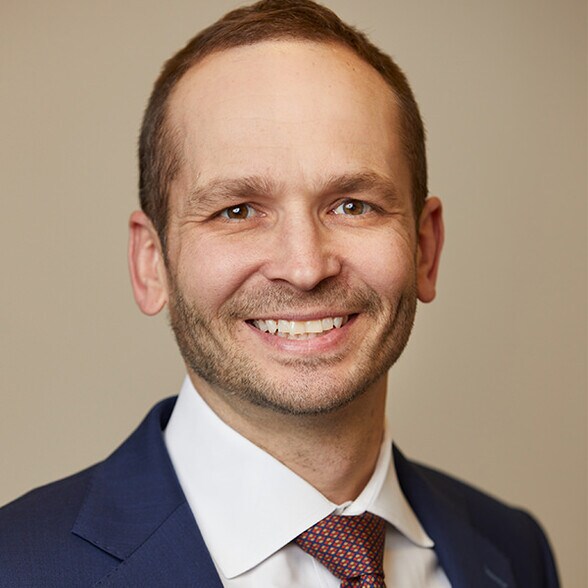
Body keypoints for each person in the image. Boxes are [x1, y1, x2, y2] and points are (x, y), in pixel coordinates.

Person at [0, 1, 560, 586]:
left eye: (353, 205)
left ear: (424, 249)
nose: (305, 267)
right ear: (151, 263)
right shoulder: (15, 567)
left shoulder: (516, 552)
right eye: (237, 210)